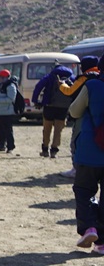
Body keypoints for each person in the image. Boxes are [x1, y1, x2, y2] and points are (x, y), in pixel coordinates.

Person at [67, 69, 104, 252]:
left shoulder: (92, 86)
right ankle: (102, 243)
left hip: (90, 150)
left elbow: (74, 111)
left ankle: (89, 227)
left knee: (83, 189)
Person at [32, 64, 74, 158]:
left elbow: (38, 87)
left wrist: (36, 100)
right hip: (63, 107)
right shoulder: (71, 77)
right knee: (58, 130)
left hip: (49, 106)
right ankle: (54, 150)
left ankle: (45, 149)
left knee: (47, 128)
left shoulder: (50, 76)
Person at [0, 69, 20, 154]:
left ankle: (10, 146)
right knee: (1, 130)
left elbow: (10, 99)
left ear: (4, 77)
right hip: (1, 112)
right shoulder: (2, 85)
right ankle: (1, 145)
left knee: (8, 131)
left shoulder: (11, 86)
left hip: (8, 113)